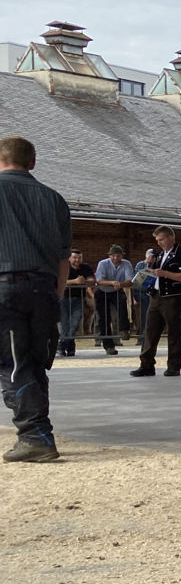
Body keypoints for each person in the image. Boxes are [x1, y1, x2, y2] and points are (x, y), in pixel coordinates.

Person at [0, 134, 72, 462]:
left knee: (13, 363)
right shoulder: (55, 199)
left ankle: (35, 435)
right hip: (44, 288)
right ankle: (38, 431)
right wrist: (55, 295)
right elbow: (63, 258)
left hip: (5, 285)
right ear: (32, 162)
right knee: (35, 362)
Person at [132, 226, 181, 378]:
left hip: (172, 297)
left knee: (174, 331)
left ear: (170, 238)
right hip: (156, 295)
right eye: (157, 240)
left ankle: (174, 365)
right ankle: (146, 365)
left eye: (161, 240)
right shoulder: (160, 255)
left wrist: (165, 273)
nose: (159, 243)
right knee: (150, 331)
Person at [94, 244, 133, 354]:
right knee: (104, 318)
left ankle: (124, 329)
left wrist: (119, 284)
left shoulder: (126, 263)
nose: (116, 258)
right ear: (109, 256)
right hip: (102, 291)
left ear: (122, 256)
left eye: (118, 256)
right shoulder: (103, 263)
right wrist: (112, 283)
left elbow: (130, 280)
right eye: (113, 255)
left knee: (122, 306)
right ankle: (108, 346)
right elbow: (99, 280)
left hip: (117, 290)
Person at [57, 249, 93, 357]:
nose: (77, 260)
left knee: (74, 323)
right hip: (64, 299)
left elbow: (92, 280)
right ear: (69, 258)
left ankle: (61, 345)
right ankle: (70, 347)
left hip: (79, 299)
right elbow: (59, 281)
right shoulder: (64, 266)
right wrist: (75, 281)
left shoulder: (85, 267)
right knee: (65, 324)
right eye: (74, 257)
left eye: (79, 258)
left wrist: (85, 281)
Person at [131, 246, 156, 334]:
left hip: (150, 291)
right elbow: (138, 280)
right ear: (146, 256)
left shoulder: (156, 265)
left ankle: (149, 332)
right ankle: (142, 333)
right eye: (150, 256)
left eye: (153, 257)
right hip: (140, 291)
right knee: (144, 309)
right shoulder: (141, 264)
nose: (151, 258)